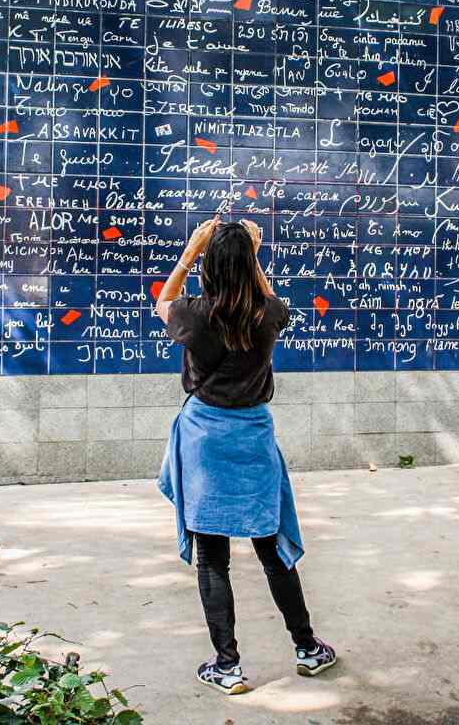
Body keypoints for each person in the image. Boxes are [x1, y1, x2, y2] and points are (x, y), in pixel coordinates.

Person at [155, 215, 337, 695]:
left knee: (213, 558)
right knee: (273, 550)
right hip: (253, 437)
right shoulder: (269, 315)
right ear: (250, 265)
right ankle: (307, 648)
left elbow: (162, 301)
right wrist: (251, 255)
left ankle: (227, 665)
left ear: (209, 265)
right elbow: (272, 298)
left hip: (204, 442)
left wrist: (191, 249)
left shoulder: (194, 314)